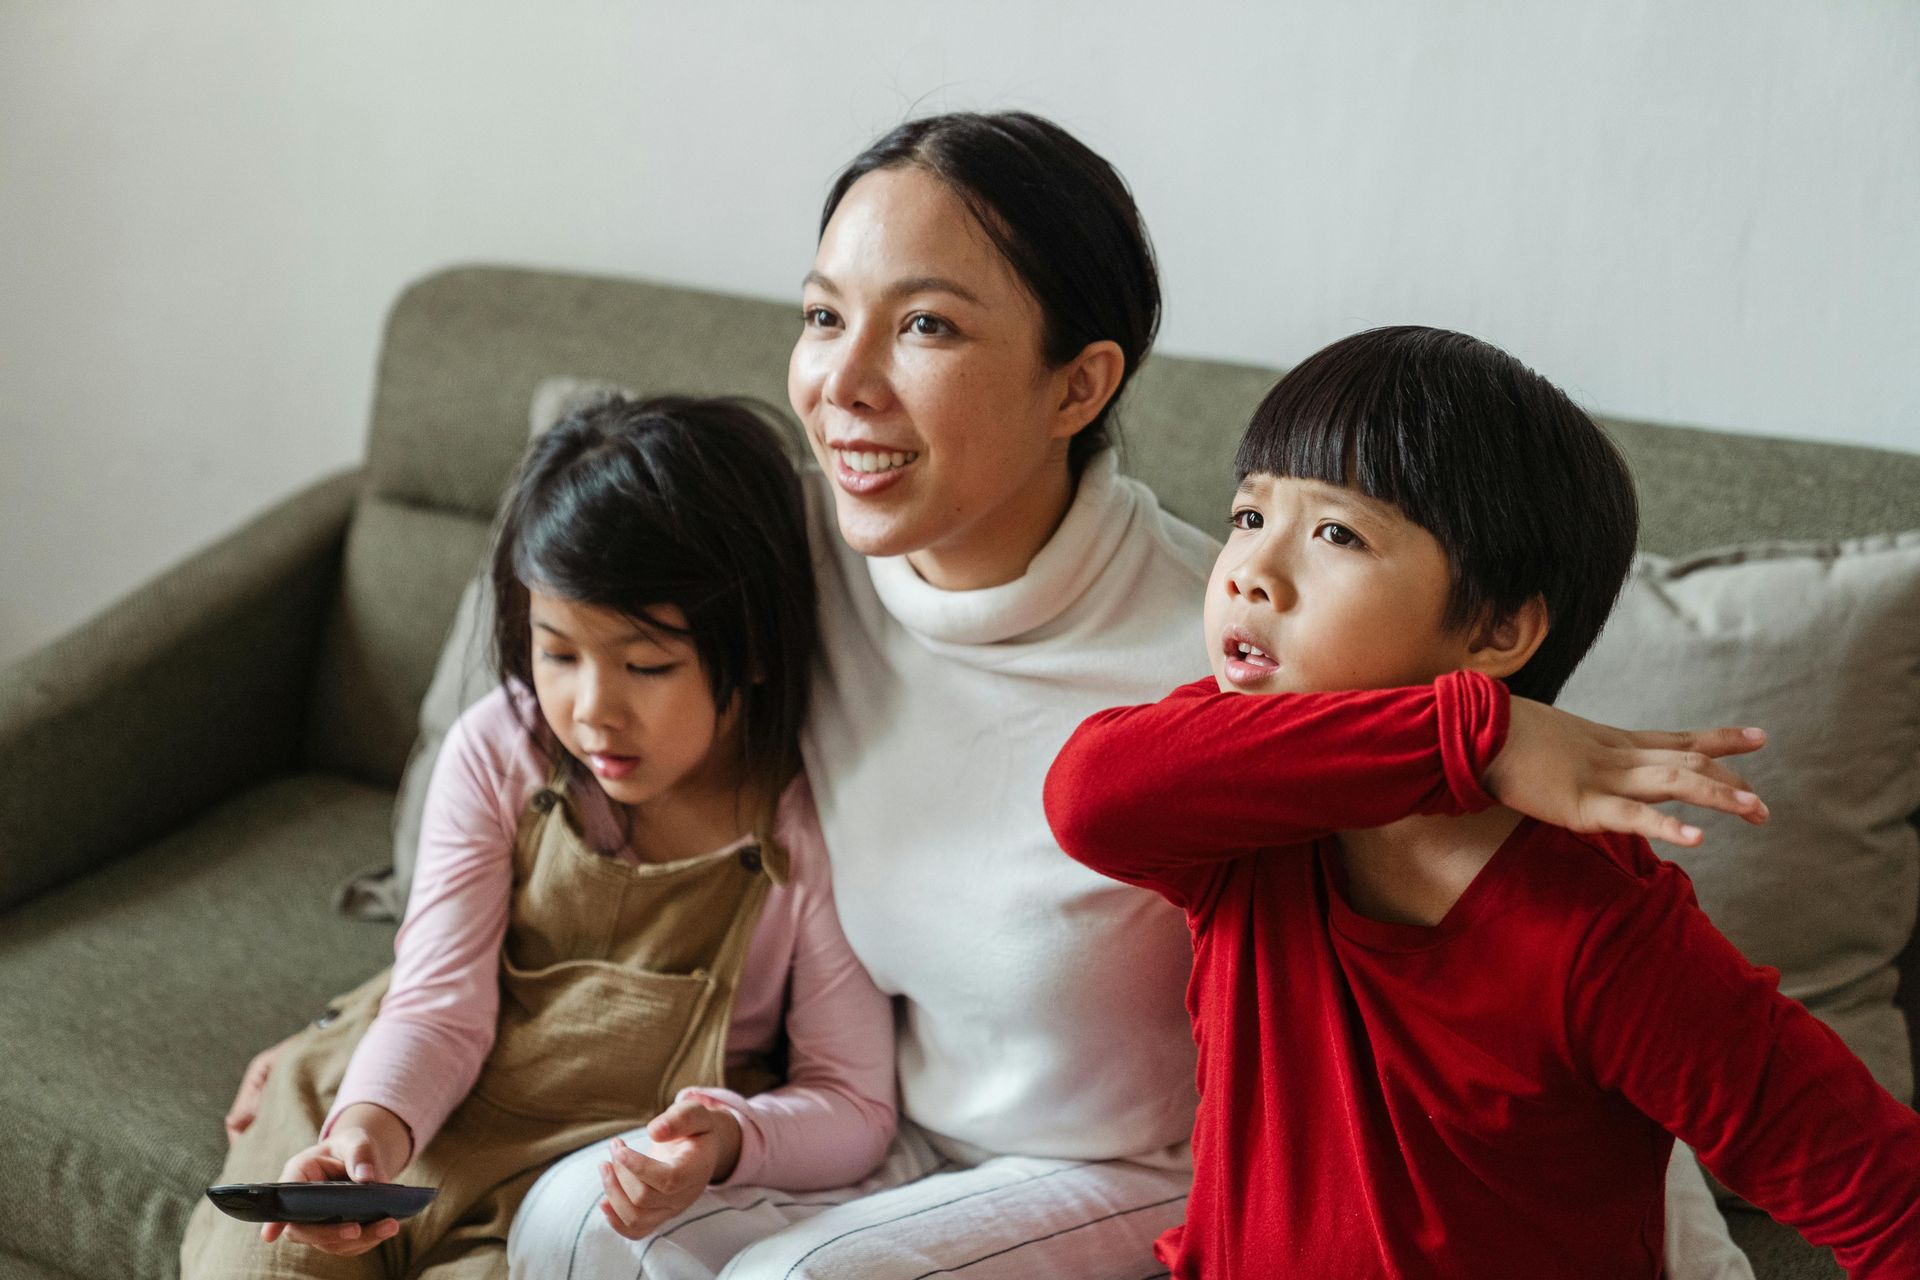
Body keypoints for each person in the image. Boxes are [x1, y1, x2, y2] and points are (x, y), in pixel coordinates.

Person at [235, 113, 1761, 1280]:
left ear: (1079, 384)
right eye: (826, 314)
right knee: (575, 1224)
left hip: (1147, 1169)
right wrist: (356, 1050)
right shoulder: (804, 587)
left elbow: (1522, 969)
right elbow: (568, 738)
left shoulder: (1236, 641)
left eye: (927, 325)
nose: (840, 380)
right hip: (881, 1131)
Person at [1044, 326, 1920, 1277]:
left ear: (1499, 629)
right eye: (1249, 517)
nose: (1251, 569)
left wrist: (1466, 733)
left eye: (1337, 533)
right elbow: (1089, 795)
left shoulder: (1600, 928)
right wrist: (1481, 737)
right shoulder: (1243, 805)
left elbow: (1882, 1194)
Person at [182, 395, 895, 1279]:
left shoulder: (809, 819)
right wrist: (364, 1135)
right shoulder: (501, 747)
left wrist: (727, 1141)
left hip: (567, 1183)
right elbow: (438, 1006)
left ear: (751, 648)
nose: (593, 710)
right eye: (559, 653)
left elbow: (855, 1103)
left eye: (646, 665)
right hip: (400, 1099)